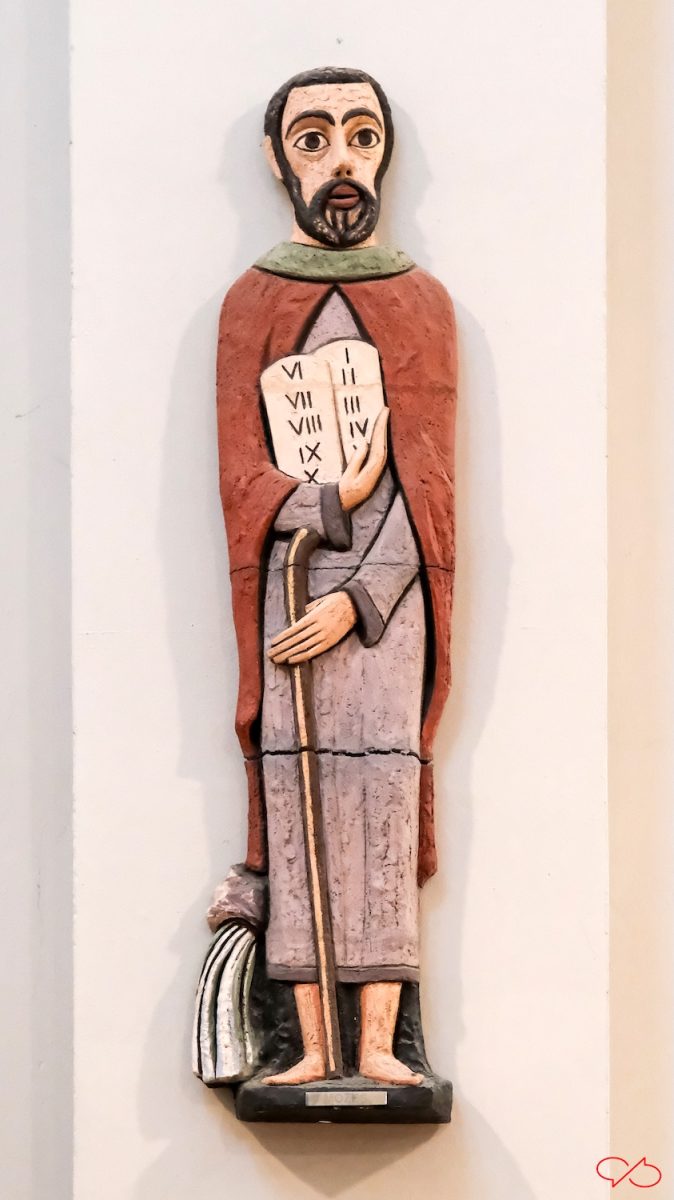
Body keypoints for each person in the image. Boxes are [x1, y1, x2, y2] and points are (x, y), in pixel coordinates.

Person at [216, 67, 457, 1086]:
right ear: (278, 161)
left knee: (378, 794)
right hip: (290, 588)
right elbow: (240, 469)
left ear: (386, 151)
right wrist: (319, 502)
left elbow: (429, 488)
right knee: (299, 789)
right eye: (313, 140)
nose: (341, 161)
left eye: (361, 134)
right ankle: (310, 1044)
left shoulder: (418, 304)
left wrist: (359, 598)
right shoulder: (253, 302)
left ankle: (380, 1045)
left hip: (382, 610)